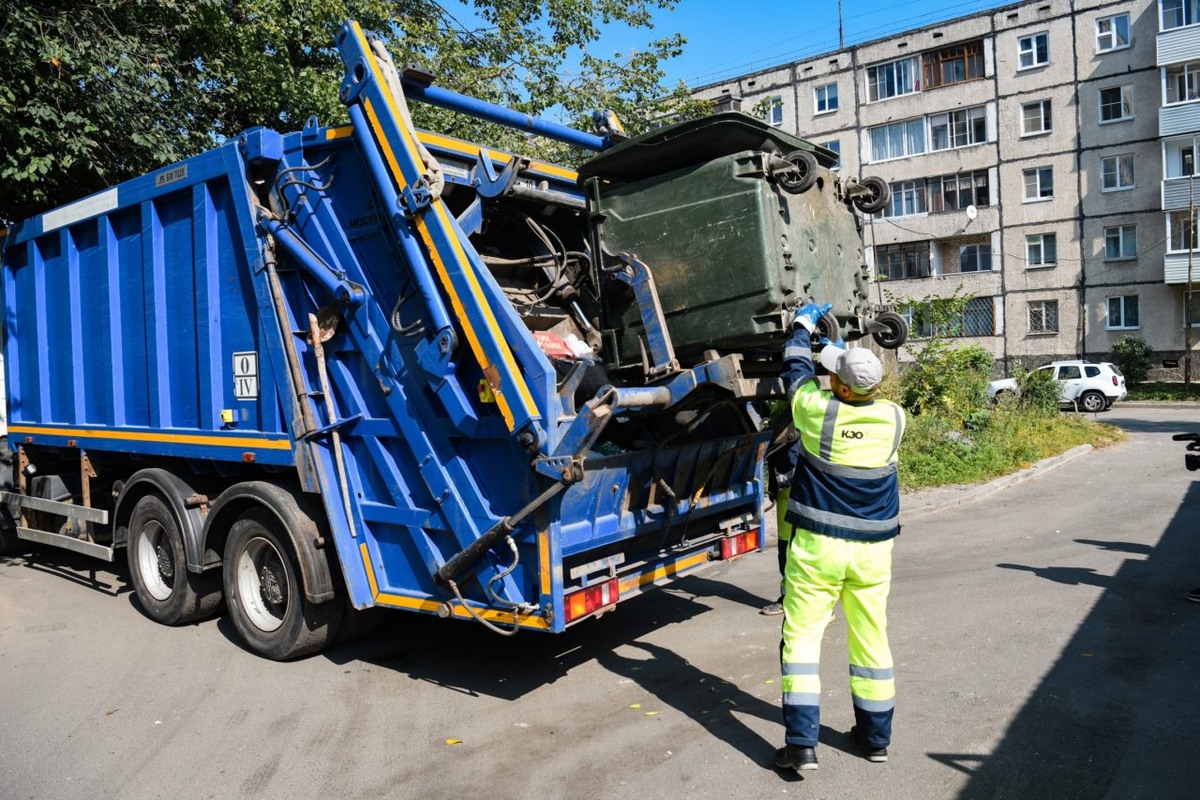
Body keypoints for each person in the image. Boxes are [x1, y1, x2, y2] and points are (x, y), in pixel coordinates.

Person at [773, 303, 906, 773]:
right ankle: (875, 740)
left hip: (818, 550)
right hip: (872, 554)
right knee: (871, 641)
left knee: (803, 638)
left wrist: (804, 329)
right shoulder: (894, 418)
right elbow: (844, 378)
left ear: (840, 386)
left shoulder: (815, 412)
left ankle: (802, 745)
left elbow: (795, 369)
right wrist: (837, 353)